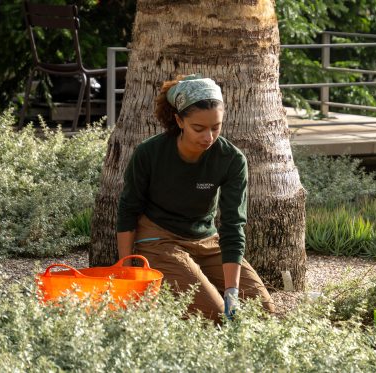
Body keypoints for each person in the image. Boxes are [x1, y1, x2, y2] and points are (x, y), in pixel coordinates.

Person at [116, 74, 275, 321]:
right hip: (159, 240)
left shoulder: (231, 160)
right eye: (199, 128)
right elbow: (128, 209)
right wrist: (127, 270)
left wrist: (232, 290)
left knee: (263, 312)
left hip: (207, 241)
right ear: (179, 120)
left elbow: (233, 225)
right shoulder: (149, 153)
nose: (208, 137)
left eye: (216, 127)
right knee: (215, 313)